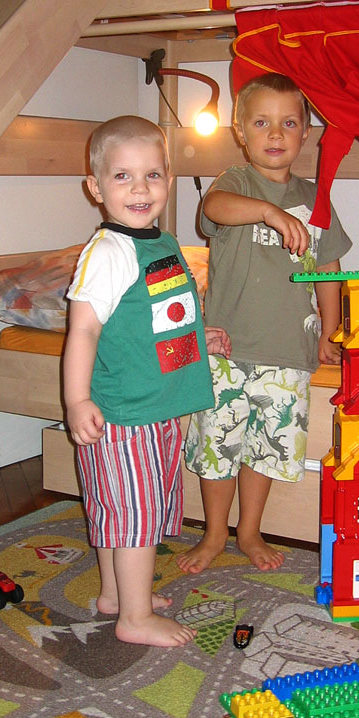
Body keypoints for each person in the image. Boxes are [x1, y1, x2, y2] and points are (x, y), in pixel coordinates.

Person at [63, 115, 231, 648]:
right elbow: (84, 328)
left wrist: (199, 336)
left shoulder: (164, 243)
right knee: (133, 514)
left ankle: (116, 596)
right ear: (96, 188)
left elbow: (163, 314)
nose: (140, 189)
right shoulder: (108, 253)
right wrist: (76, 399)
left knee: (129, 507)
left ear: (168, 180)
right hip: (125, 412)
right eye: (123, 176)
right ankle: (133, 618)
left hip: (158, 407)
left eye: (152, 175)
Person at [178, 73, 352, 575]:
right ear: (240, 131)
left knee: (266, 449)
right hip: (225, 349)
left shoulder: (316, 198)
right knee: (219, 447)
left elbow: (328, 268)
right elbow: (213, 209)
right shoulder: (234, 183)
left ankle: (249, 531)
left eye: (288, 123)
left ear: (305, 134)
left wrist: (330, 330)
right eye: (261, 123)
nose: (275, 134)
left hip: (286, 349)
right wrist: (270, 213)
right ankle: (214, 533)